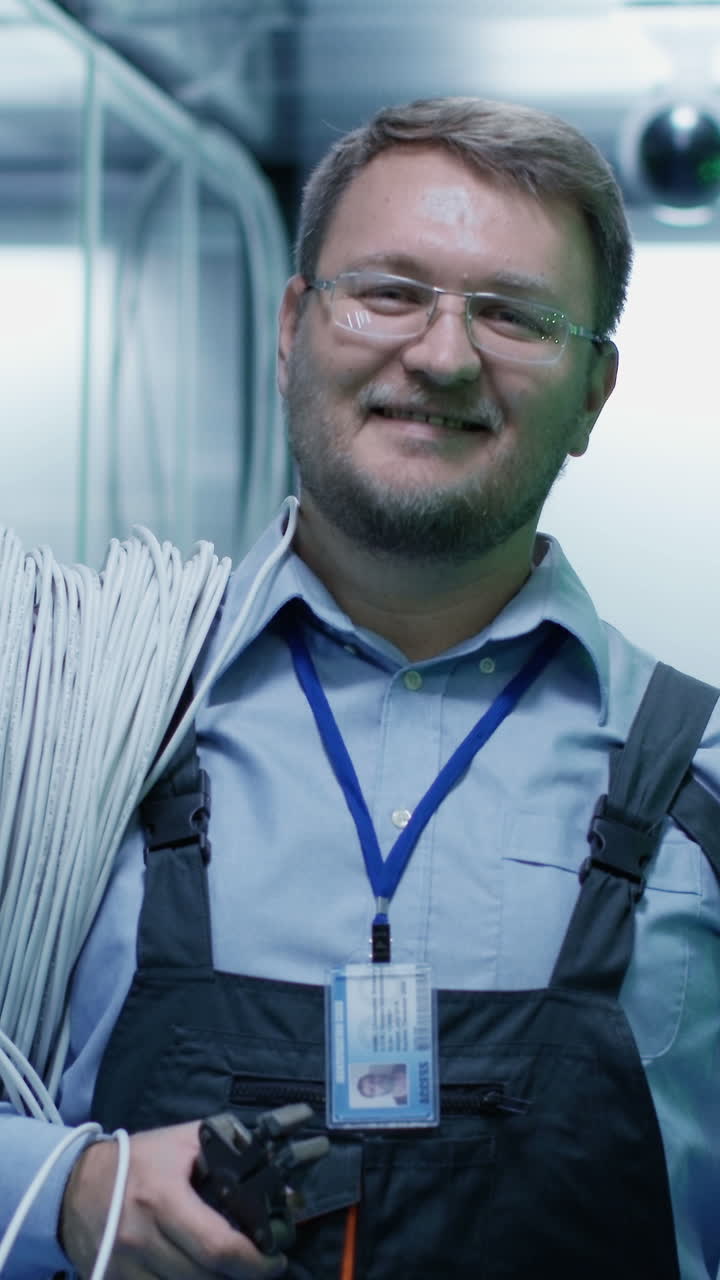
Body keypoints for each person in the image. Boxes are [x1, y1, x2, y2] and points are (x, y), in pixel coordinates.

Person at [1, 95, 719, 1280]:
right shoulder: (71, 726)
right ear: (292, 327)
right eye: (389, 291)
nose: (441, 354)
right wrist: (62, 1190)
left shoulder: (698, 784)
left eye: (515, 315)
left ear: (595, 394)